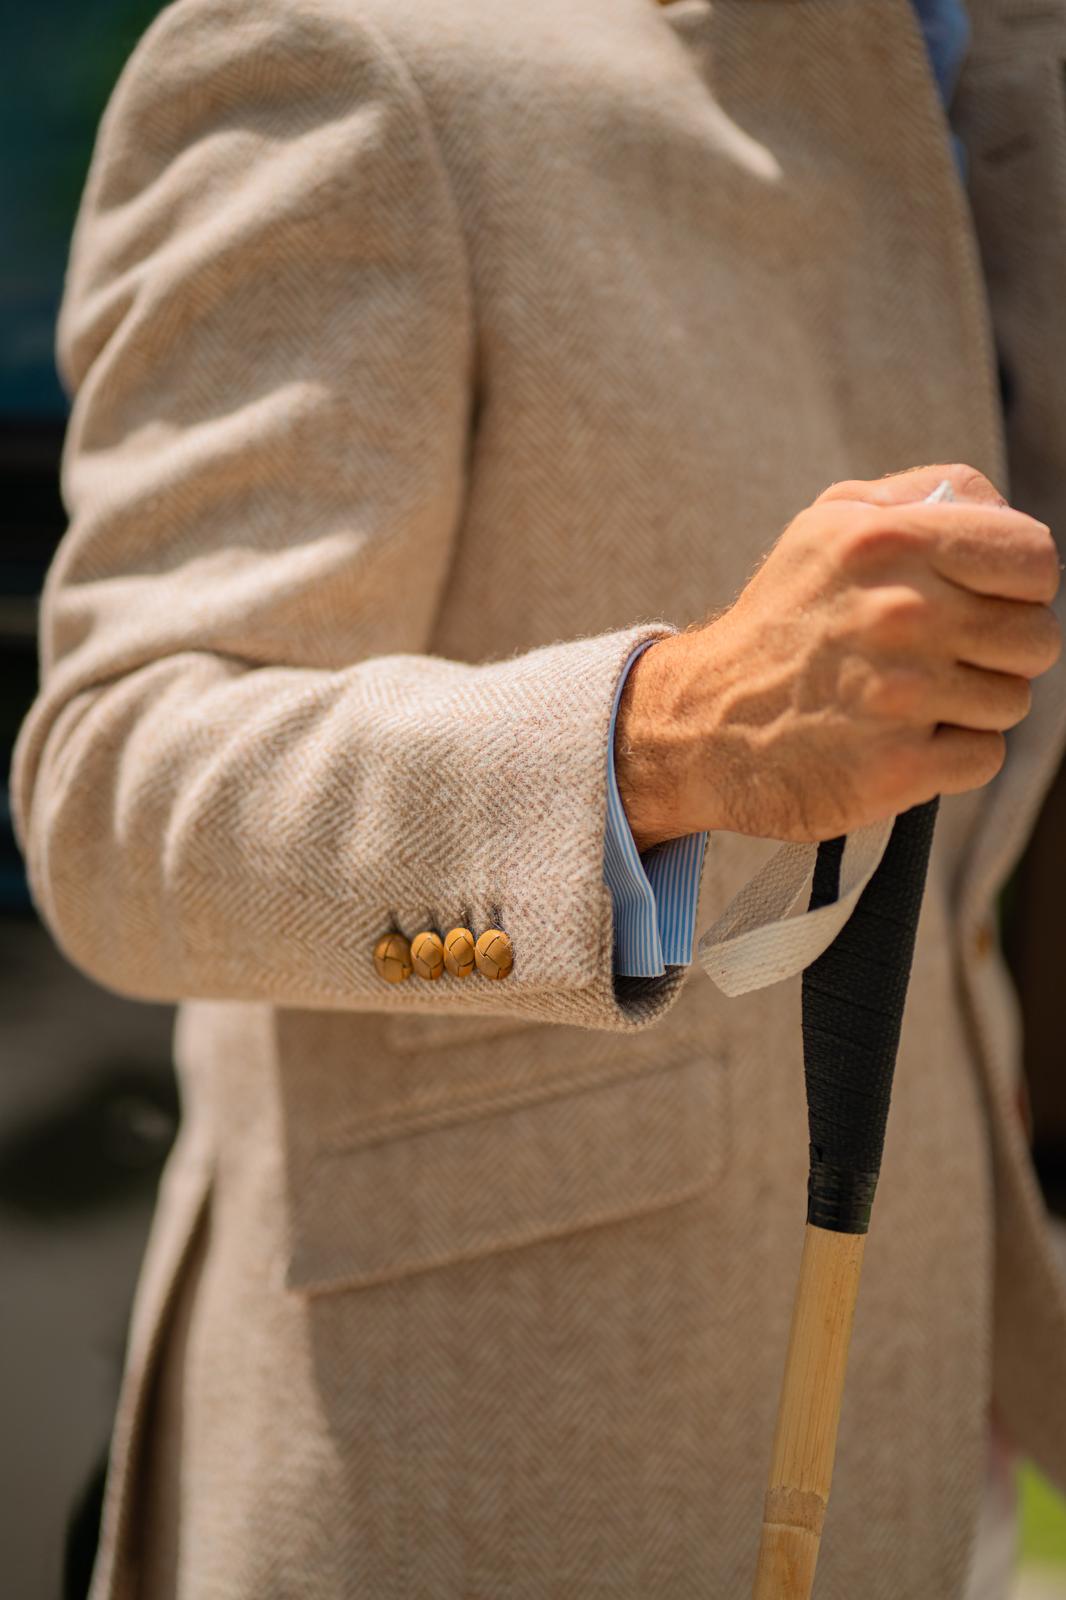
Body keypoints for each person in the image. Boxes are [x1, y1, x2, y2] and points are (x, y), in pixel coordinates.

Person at [12, 0, 1066, 1595]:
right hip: (506, 1471)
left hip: (942, 1430)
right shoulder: (354, 55)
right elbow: (116, 801)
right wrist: (672, 734)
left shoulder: (996, 70)